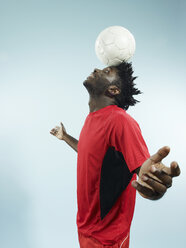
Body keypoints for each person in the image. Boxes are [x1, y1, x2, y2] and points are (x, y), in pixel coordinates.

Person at [50, 61, 180, 248]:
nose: (96, 69)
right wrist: (66, 137)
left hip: (107, 238)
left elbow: (143, 168)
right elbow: (91, 155)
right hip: (86, 227)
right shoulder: (92, 119)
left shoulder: (120, 121)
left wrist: (153, 182)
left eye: (106, 71)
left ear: (114, 90)